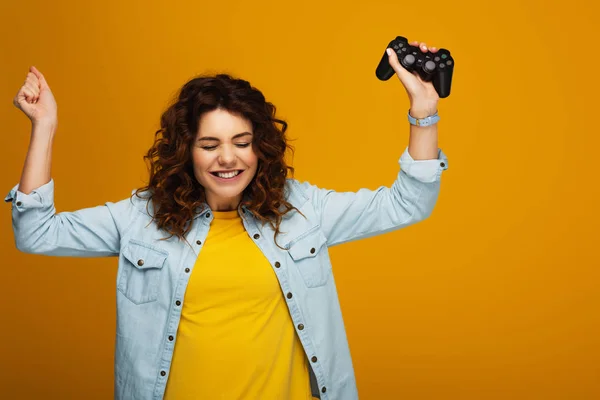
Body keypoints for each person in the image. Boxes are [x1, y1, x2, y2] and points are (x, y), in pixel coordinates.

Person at [7, 40, 449, 400]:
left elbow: (408, 203)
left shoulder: (302, 211)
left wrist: (424, 112)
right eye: (209, 144)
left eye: (242, 142)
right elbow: (36, 232)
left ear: (261, 147)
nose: (227, 158)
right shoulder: (143, 218)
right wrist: (44, 127)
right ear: (186, 150)